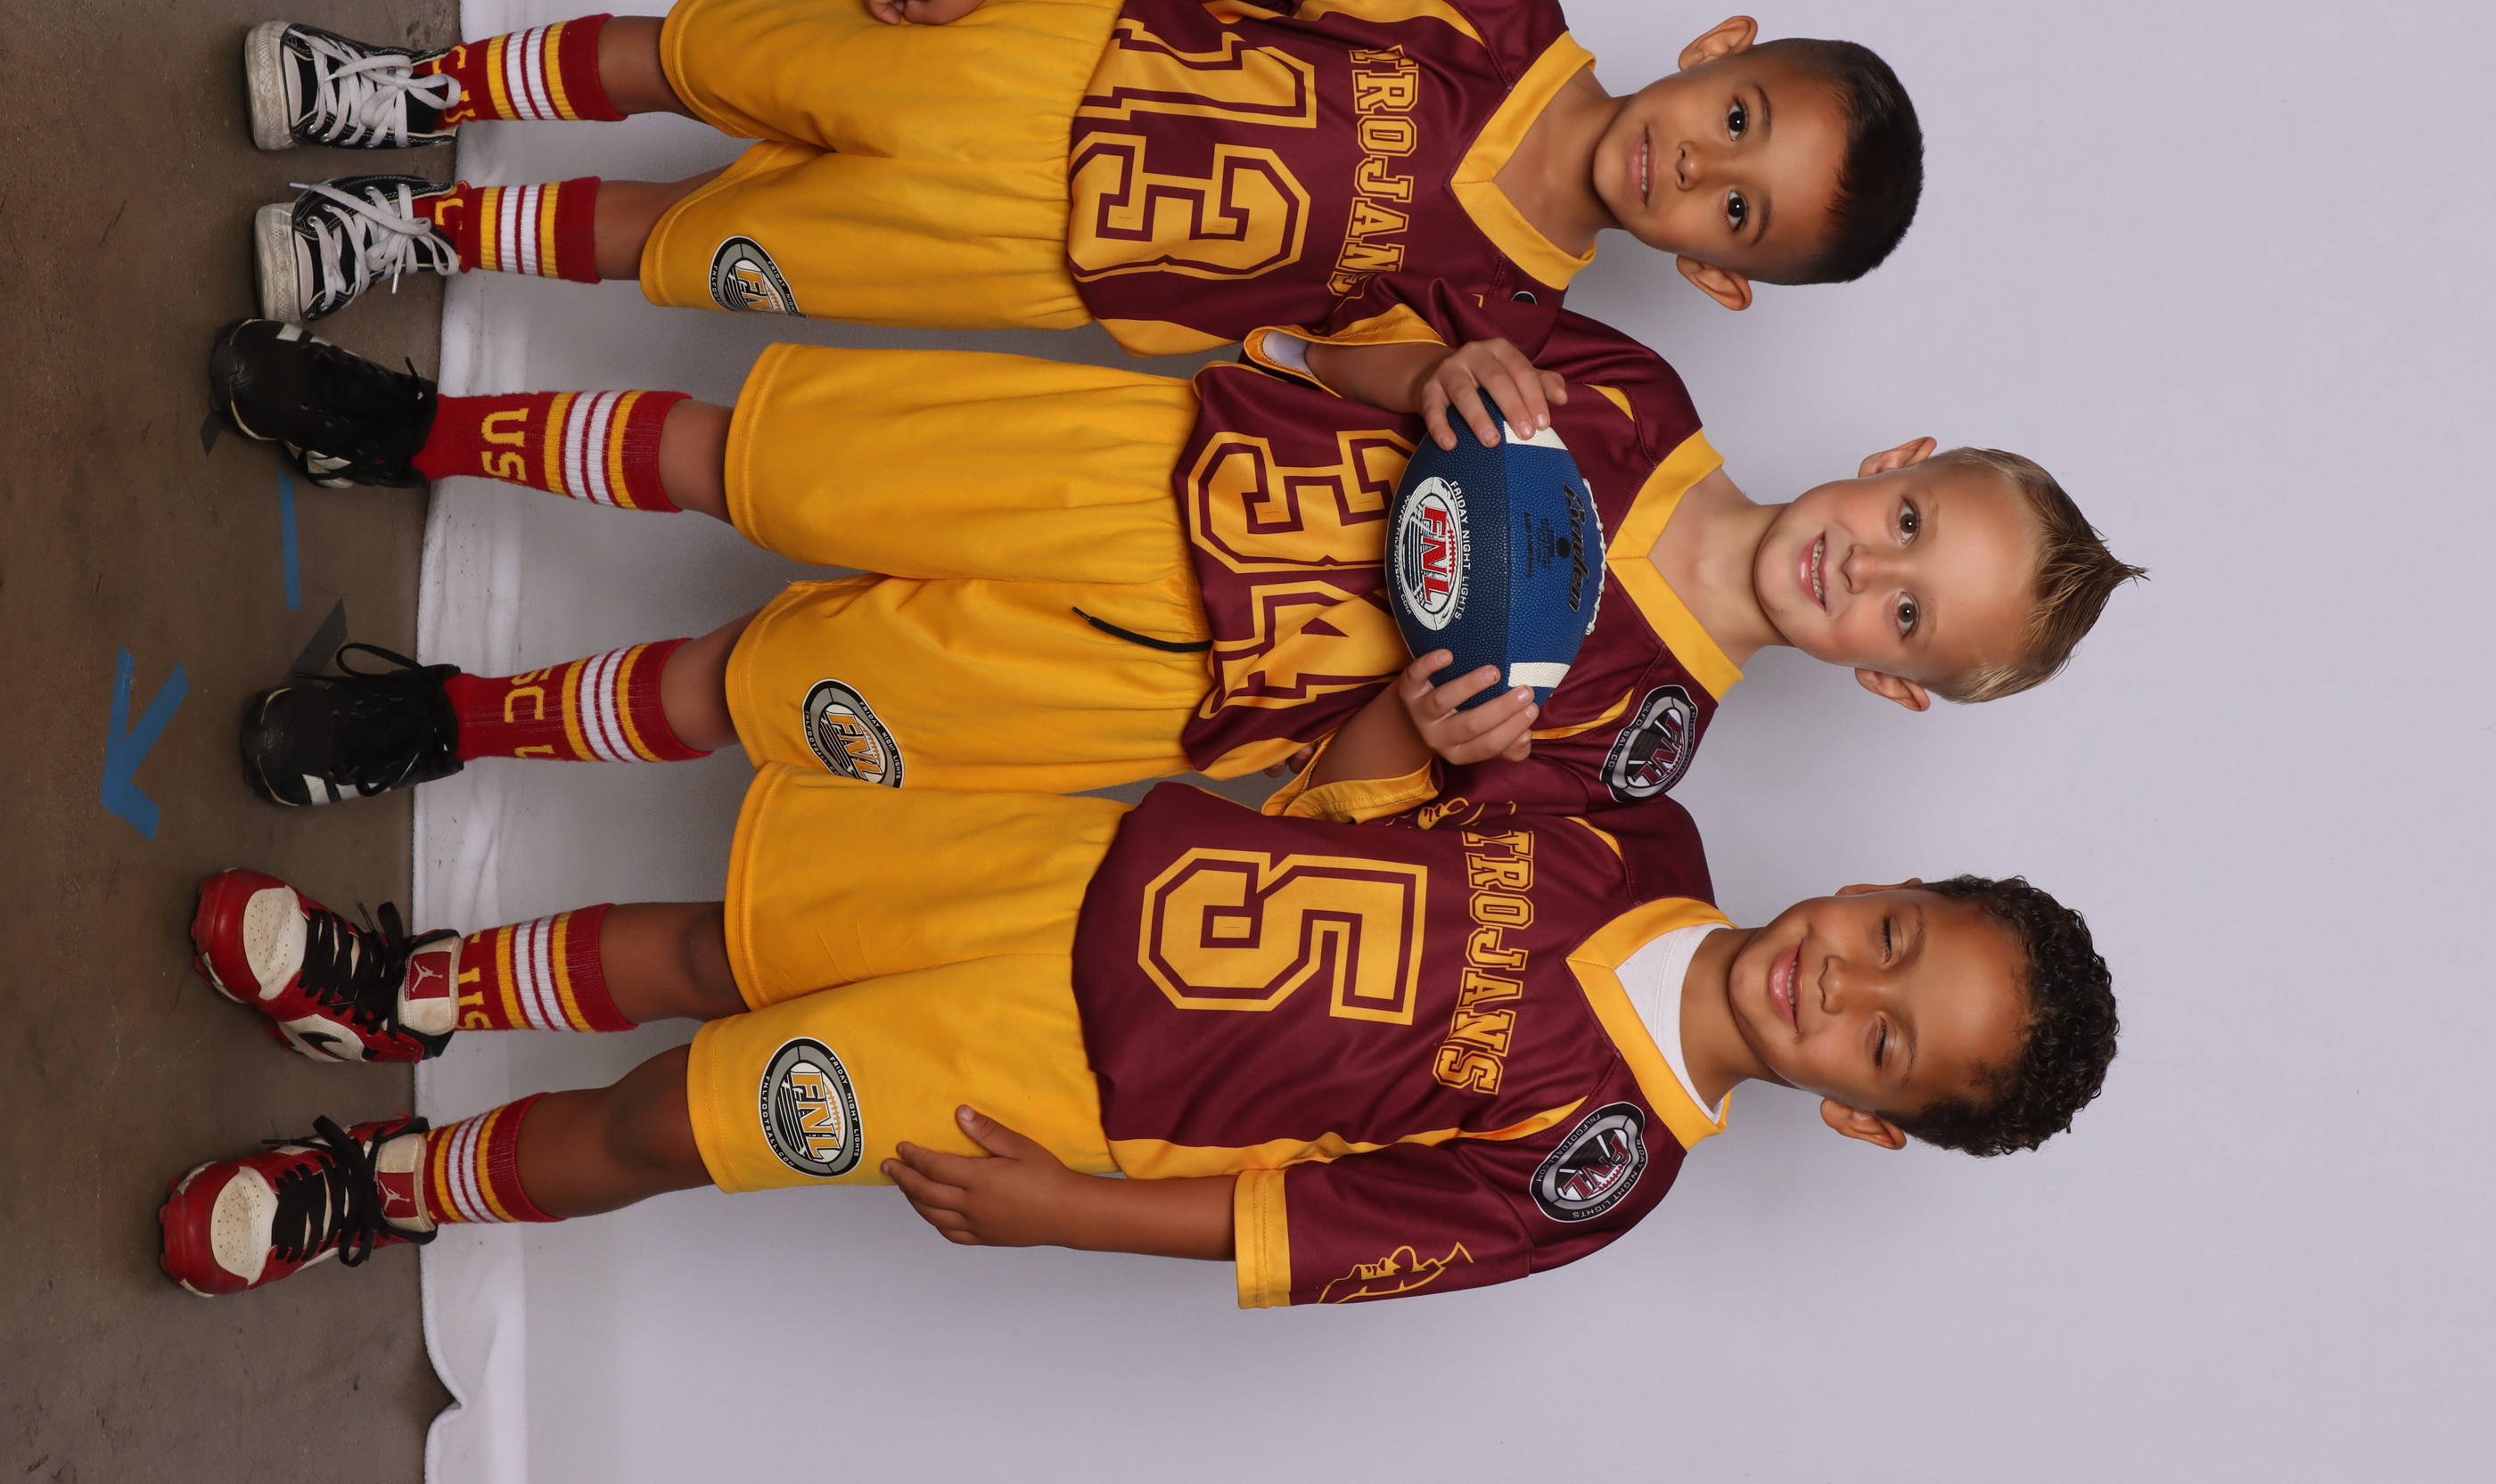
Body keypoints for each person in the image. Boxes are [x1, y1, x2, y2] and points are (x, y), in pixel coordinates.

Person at [159, 757, 2117, 1307]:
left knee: (687, 1117)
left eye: (1883, 1046)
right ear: (1884, 881)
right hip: (1084, 870)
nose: (1840, 985)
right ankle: (395, 992)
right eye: (1890, 939)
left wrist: (1061, 1210)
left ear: (1863, 1121)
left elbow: (1307, 1226)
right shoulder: (1639, 825)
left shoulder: (1601, 1170)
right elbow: (1370, 788)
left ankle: (389, 1185)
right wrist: (1406, 726)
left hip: (1077, 1081)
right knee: (713, 939)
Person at [211, 309, 2141, 813]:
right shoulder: (1633, 392)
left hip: (1151, 687)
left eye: (1907, 613)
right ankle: (411, 429)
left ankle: (450, 720)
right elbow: (1342, 345)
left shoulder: (1637, 751)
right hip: (1138, 470)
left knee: (748, 686)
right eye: (1907, 524)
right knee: (750, 456)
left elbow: (1341, 815)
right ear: (1892, 461)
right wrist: (1429, 376)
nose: (1862, 569)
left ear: (1886, 681)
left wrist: (1425, 731)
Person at [237, 0, 1922, 357]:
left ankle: (420, 232)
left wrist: (1433, 389)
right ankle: (415, 85)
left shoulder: (1511, 319)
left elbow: (1332, 366)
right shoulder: (1499, 1)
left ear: (1714, 274)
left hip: (1025, 261)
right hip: (1036, 59)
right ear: (1721, 45)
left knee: (692, 238)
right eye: (1740, 120)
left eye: (1737, 211)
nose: (1695, 166)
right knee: (700, 52)